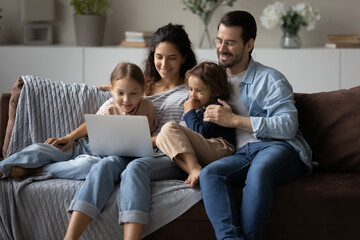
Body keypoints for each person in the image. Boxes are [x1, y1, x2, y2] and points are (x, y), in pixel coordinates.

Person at [63, 23, 197, 240]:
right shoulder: (145, 86)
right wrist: (107, 88)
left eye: (171, 57)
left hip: (168, 155)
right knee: (105, 164)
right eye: (159, 56)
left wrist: (142, 140)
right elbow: (123, 89)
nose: (163, 64)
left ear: (183, 57)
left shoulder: (190, 91)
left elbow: (187, 133)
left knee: (135, 168)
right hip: (133, 148)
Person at [198, 11, 312, 240]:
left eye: (230, 42)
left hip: (277, 148)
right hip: (240, 153)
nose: (221, 48)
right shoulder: (212, 79)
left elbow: (287, 125)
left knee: (259, 171)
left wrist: (233, 120)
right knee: (209, 174)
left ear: (249, 44)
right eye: (219, 41)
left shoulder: (271, 79)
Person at [0, 62, 157, 181]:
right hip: (85, 145)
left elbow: (147, 136)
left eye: (133, 93)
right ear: (112, 89)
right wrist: (70, 137)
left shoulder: (147, 107)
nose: (126, 99)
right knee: (44, 149)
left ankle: (39, 171)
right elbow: (91, 125)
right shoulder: (109, 107)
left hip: (102, 158)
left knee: (86, 166)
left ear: (142, 91)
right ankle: (3, 167)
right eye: (120, 93)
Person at [156, 61, 236, 187]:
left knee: (170, 127)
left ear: (215, 91)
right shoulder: (202, 110)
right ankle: (195, 172)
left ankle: (194, 168)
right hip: (207, 149)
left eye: (199, 90)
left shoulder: (217, 108)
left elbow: (201, 132)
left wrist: (189, 111)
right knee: (161, 138)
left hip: (221, 147)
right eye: (190, 89)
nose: (192, 95)